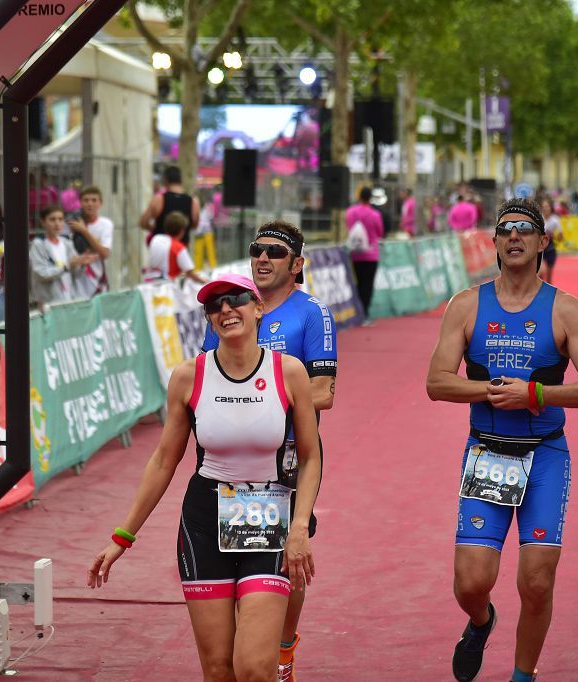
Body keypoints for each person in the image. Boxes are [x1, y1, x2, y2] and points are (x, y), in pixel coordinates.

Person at [88, 274, 322, 682]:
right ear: (209, 320)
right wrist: (121, 537)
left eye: (235, 300)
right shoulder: (188, 376)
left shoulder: (290, 372)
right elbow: (163, 460)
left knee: (253, 669)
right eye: (215, 306)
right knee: (218, 670)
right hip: (203, 521)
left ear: (258, 307)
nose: (226, 310)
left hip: (270, 517)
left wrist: (299, 525)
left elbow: (310, 455)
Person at [426, 197, 578, 682]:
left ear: (541, 242)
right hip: (487, 452)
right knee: (471, 583)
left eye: (524, 229)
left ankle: (521, 676)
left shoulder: (566, 310)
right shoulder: (466, 305)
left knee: (536, 582)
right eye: (505, 229)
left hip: (544, 455)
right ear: (493, 241)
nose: (514, 236)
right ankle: (481, 621)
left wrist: (536, 393)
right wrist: (490, 392)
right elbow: (437, 382)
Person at [203, 221, 338, 681]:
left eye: (275, 253)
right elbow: (207, 378)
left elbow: (322, 391)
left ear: (297, 265)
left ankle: (283, 647)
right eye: (256, 250)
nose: (263, 258)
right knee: (233, 562)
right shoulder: (231, 306)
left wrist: (262, 399)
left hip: (287, 460)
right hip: (230, 462)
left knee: (287, 556)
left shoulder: (312, 313)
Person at [28, 204, 85, 307]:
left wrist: (81, 263)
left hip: (68, 300)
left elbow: (76, 272)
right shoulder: (38, 245)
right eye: (52, 220)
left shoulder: (67, 243)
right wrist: (66, 267)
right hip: (48, 303)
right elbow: (41, 273)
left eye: (60, 219)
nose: (57, 223)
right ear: (43, 222)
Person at [345, 185, 385, 321]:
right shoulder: (375, 214)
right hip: (371, 254)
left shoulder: (350, 212)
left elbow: (348, 227)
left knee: (358, 282)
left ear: (359, 196)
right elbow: (380, 233)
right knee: (368, 284)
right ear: (370, 198)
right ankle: (365, 313)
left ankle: (357, 310)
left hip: (355, 254)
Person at [68, 185, 113, 300]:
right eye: (86, 200)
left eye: (94, 200)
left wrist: (84, 231)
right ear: (80, 202)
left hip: (96, 281)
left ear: (100, 203)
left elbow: (104, 253)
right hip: (75, 281)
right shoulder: (72, 223)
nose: (90, 204)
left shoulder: (106, 224)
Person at [140, 165, 201, 246]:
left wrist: (155, 229)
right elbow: (194, 225)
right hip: (181, 248)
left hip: (160, 248)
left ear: (165, 180)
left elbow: (143, 222)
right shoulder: (193, 202)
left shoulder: (158, 200)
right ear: (181, 180)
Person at [145, 211, 206, 285]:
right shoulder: (178, 248)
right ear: (181, 231)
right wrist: (206, 281)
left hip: (150, 283)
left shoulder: (156, 238)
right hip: (167, 286)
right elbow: (190, 273)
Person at [192, 187, 219, 271]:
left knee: (210, 253)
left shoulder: (207, 207)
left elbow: (210, 217)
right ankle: (198, 271)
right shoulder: (196, 208)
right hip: (199, 234)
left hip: (207, 232)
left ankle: (213, 270)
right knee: (198, 254)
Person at [539, 198, 561, 285]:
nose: (545, 208)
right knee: (540, 273)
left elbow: (560, 238)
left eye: (547, 206)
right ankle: (538, 294)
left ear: (550, 208)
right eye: (544, 206)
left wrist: (553, 235)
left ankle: (548, 295)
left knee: (548, 277)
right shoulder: (539, 218)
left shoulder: (555, 220)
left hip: (551, 249)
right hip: (540, 249)